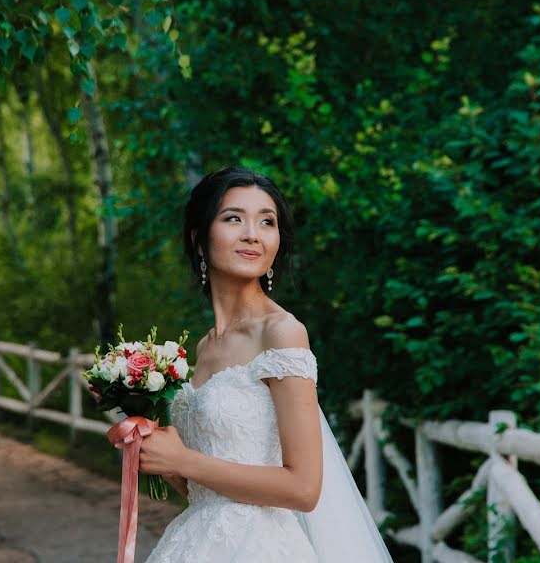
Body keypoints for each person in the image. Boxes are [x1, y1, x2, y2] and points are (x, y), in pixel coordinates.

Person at [138, 166, 394, 562]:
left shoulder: (282, 332)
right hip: (196, 544)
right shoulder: (204, 348)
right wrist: (161, 458)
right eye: (233, 218)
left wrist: (184, 460)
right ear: (200, 240)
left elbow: (303, 489)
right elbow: (207, 492)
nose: (252, 234)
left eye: (267, 221)